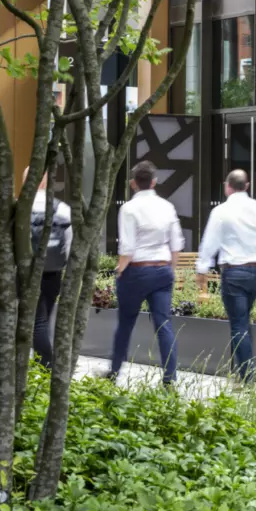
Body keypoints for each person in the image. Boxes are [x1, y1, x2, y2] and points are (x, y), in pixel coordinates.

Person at [195, 168, 256, 381]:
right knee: (244, 322)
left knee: (238, 324)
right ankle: (240, 370)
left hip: (233, 273)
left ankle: (247, 375)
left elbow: (210, 242)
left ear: (227, 186)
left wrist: (202, 268)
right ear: (247, 186)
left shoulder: (221, 211)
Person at [110, 161, 183, 386]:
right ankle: (170, 378)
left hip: (136, 271)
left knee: (125, 323)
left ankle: (114, 372)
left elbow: (127, 248)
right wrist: (170, 270)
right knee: (164, 324)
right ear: (154, 182)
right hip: (161, 269)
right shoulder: (167, 207)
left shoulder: (128, 209)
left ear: (133, 183)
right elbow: (176, 244)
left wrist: (119, 271)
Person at [29, 170, 73, 369]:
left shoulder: (19, 207)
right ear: (46, 183)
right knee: (44, 318)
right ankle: (41, 364)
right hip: (53, 273)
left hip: (28, 273)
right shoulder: (62, 208)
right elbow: (69, 243)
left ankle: (47, 365)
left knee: (36, 323)